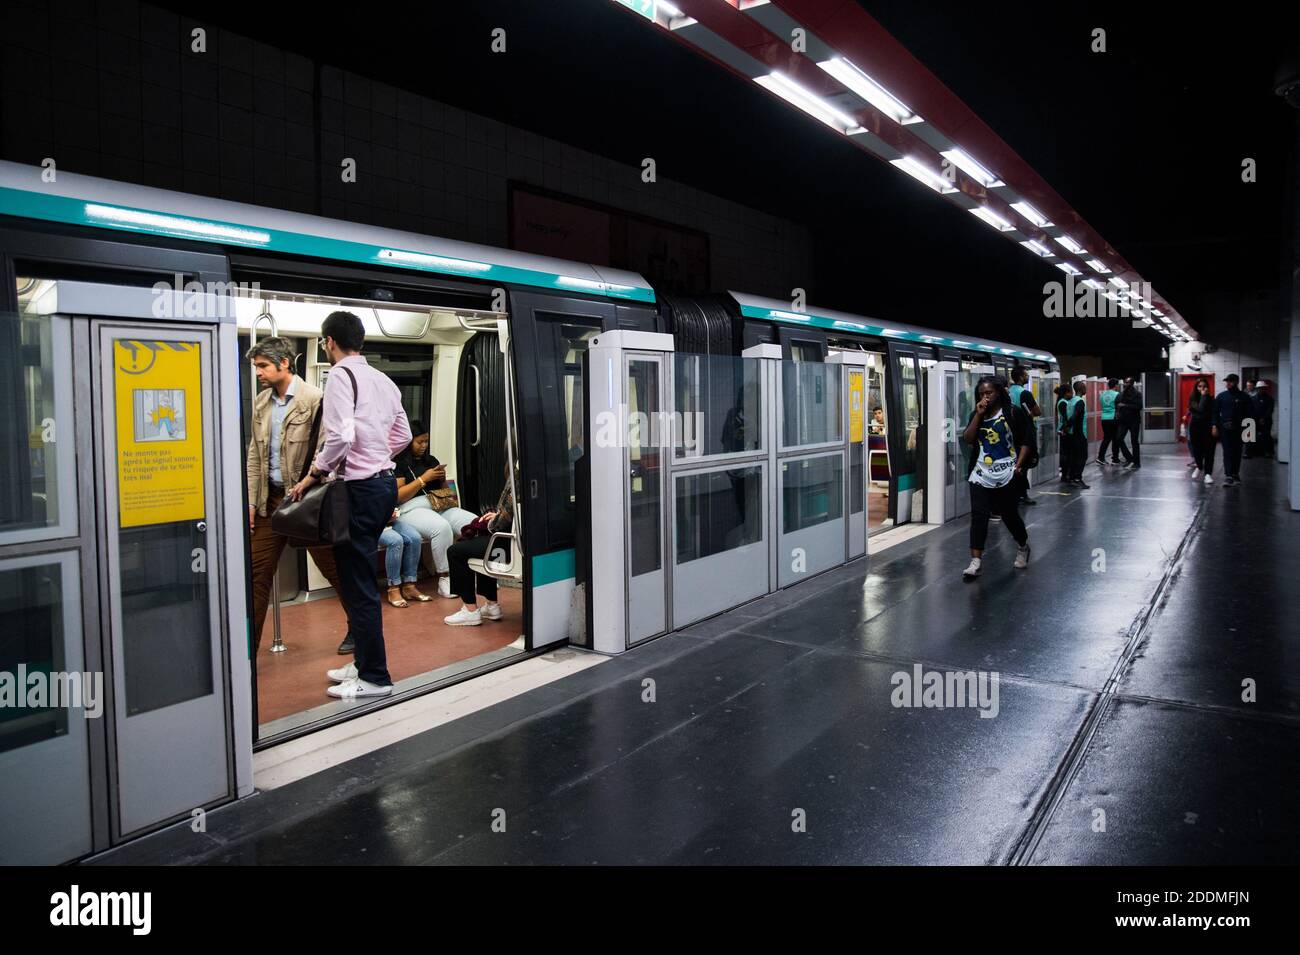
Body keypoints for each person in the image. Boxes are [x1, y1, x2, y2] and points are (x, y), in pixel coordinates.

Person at [289, 310, 411, 700]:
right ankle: (361, 663)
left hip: (357, 491)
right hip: (383, 486)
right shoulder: (383, 380)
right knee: (358, 576)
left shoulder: (341, 376)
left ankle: (375, 676)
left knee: (358, 585)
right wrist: (376, 457)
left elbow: (340, 436)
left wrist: (314, 473)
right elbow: (404, 434)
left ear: (329, 341)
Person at [244, 336, 354, 655]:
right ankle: (246, 650)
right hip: (271, 499)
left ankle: (357, 628)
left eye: (263, 366)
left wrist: (309, 483)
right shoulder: (262, 403)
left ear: (284, 364)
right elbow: (255, 455)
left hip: (306, 499)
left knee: (334, 569)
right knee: (256, 573)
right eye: (256, 367)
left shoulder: (315, 399)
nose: (259, 373)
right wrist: (252, 501)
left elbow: (327, 450)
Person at [391, 422, 477, 598]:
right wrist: (423, 479)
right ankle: (444, 579)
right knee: (441, 527)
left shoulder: (431, 460)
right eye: (419, 442)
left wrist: (442, 479)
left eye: (426, 441)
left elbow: (446, 493)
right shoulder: (397, 463)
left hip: (437, 505)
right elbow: (399, 496)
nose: (424, 446)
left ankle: (477, 573)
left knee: (474, 523)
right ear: (408, 442)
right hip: (410, 509)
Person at [961, 376, 1031, 580]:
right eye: (982, 393)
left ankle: (1022, 545)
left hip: (1008, 472)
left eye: (989, 392)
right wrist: (978, 416)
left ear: (998, 393)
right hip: (981, 472)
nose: (985, 397)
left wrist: (1020, 464)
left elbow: (1027, 440)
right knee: (979, 516)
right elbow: (968, 438)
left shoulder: (1012, 413)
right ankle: (975, 561)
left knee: (1009, 515)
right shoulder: (978, 414)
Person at [443, 462, 516, 626]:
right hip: (513, 539)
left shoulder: (516, 476)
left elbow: (500, 523)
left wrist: (492, 520)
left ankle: (470, 610)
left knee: (455, 551)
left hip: (508, 542)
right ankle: (491, 606)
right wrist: (497, 515)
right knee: (481, 545)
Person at [1212, 374, 1254, 486]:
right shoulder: (1221, 396)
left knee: (1237, 451)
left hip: (1239, 429)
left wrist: (1250, 431)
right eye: (1227, 381)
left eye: (1230, 381)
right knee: (1228, 452)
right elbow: (1215, 412)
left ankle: (1235, 474)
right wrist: (1214, 426)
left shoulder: (1244, 397)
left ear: (1236, 382)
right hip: (1225, 429)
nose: (1228, 383)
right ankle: (1228, 476)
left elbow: (1250, 414)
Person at [1008, 367, 1040, 506]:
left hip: (1010, 432)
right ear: (1021, 377)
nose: (1027, 377)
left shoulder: (1008, 392)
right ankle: (1022, 494)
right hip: (1024, 432)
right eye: (1026, 375)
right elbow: (1037, 411)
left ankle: (1014, 493)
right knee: (1024, 464)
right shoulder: (1024, 393)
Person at [1185, 376, 1215, 483]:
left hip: (1207, 428)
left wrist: (1214, 426)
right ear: (1196, 388)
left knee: (1209, 452)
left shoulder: (1211, 399)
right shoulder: (1192, 400)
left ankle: (1208, 474)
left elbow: (1212, 414)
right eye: (1200, 386)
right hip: (1196, 428)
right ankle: (1199, 466)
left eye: (1204, 386)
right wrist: (1203, 397)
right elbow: (1201, 411)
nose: (1202, 388)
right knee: (1197, 451)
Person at [1064, 380, 1090, 488]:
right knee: (1082, 456)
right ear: (1080, 389)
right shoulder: (1080, 401)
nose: (1086, 389)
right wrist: (1068, 425)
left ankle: (1071, 478)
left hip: (1071, 434)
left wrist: (1066, 427)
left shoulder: (1070, 401)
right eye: (1084, 387)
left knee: (1074, 456)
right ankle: (1077, 478)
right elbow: (1075, 416)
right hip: (1079, 433)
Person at [1116, 377, 1142, 469]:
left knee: (1134, 441)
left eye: (1127, 382)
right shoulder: (1122, 394)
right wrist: (1118, 412)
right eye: (1125, 382)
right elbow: (1118, 404)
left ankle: (1136, 463)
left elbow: (1139, 406)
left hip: (1134, 421)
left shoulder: (1137, 394)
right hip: (1124, 420)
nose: (1125, 384)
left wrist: (1125, 405)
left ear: (1132, 383)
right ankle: (1129, 458)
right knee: (1118, 438)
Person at [1096, 378, 1121, 465]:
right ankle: (1115, 459)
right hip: (1113, 418)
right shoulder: (1117, 394)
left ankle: (1101, 457)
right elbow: (1119, 407)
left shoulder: (1102, 395)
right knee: (1115, 438)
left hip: (1104, 418)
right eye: (1117, 385)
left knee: (1106, 438)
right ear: (1115, 385)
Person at [1055, 385, 1072, 482]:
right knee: (1066, 453)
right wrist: (1065, 429)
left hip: (1063, 429)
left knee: (1066, 453)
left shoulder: (1063, 401)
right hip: (1064, 430)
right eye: (1070, 392)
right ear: (1066, 393)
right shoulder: (1063, 403)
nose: (1072, 394)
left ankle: (1066, 473)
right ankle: (1065, 474)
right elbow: (1066, 417)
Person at [1254, 381, 1275, 458]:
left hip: (1266, 421)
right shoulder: (1253, 399)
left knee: (1266, 436)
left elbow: (1270, 410)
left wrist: (1263, 418)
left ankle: (1268, 452)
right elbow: (1252, 410)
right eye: (1260, 388)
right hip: (1255, 420)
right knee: (1252, 436)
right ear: (1257, 389)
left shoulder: (1270, 399)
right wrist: (1256, 418)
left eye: (1263, 388)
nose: (1262, 390)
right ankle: (1253, 451)